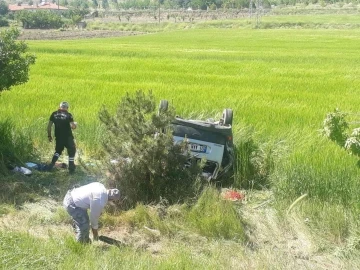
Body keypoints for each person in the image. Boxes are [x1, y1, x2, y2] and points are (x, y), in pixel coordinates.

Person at [47, 101, 77, 173]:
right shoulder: (68, 115)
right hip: (68, 137)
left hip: (59, 137)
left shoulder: (54, 114)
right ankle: (71, 168)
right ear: (67, 108)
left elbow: (49, 127)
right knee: (72, 151)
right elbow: (73, 126)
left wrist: (49, 136)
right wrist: (75, 125)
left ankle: (51, 165)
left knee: (58, 151)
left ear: (59, 107)